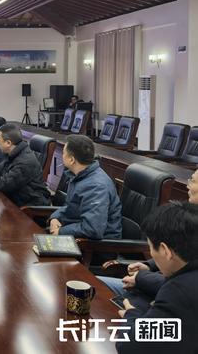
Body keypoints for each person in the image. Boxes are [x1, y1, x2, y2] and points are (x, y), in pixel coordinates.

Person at [99, 168, 198, 309]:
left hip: (159, 300)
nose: (187, 185)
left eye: (192, 181)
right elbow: (177, 252)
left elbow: (183, 285)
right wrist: (150, 265)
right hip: (146, 290)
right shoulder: (190, 218)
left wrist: (141, 278)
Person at [116, 202, 198, 353]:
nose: (151, 254)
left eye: (150, 248)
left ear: (165, 250)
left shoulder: (179, 291)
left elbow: (130, 347)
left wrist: (131, 314)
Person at [48, 135, 122, 239]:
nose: (62, 155)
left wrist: (61, 232)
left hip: (98, 245)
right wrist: (56, 218)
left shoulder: (96, 187)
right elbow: (71, 207)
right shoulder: (79, 175)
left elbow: (92, 229)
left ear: (72, 160)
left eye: (63, 153)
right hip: (79, 233)